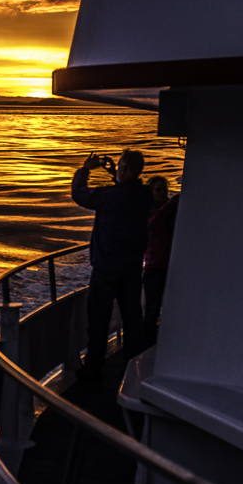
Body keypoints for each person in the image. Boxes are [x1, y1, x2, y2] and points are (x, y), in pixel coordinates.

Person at [71, 149, 152, 384]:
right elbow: (126, 191)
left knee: (99, 319)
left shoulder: (109, 196)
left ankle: (94, 368)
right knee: (132, 319)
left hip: (106, 268)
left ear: (124, 169)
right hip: (132, 268)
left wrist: (85, 169)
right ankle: (133, 366)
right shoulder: (144, 195)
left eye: (120, 167)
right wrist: (114, 173)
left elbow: (79, 194)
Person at [143, 187, 180, 349]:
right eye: (157, 190)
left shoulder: (174, 212)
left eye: (164, 189)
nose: (162, 193)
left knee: (174, 307)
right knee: (152, 309)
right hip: (154, 266)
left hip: (174, 266)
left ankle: (170, 343)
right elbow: (152, 227)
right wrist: (168, 207)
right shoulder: (147, 213)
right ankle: (148, 345)